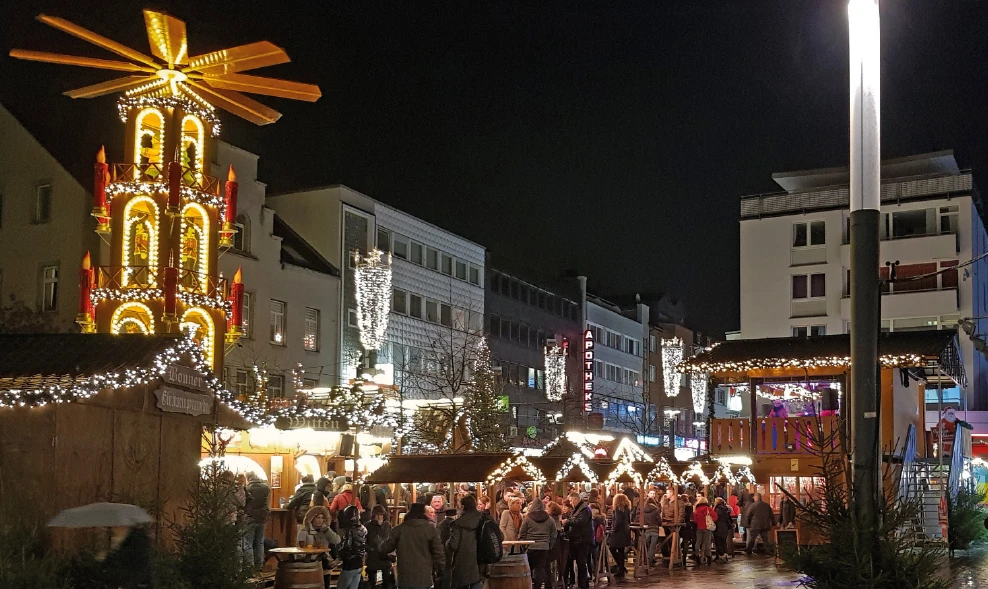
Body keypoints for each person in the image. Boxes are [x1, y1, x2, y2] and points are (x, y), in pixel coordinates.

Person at [382, 503, 445, 589]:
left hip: (404, 577)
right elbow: (438, 553)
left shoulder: (399, 529)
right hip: (424, 577)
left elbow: (386, 548)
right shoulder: (431, 529)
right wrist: (442, 570)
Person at [447, 495, 486, 589]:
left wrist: (446, 543)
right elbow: (499, 535)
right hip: (484, 559)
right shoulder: (485, 519)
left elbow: (453, 544)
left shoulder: (457, 524)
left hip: (463, 562)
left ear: (463, 507)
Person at [297, 506, 340, 589]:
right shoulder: (305, 531)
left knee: (325, 584)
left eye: (322, 518)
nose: (320, 520)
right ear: (312, 518)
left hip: (324, 562)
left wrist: (327, 530)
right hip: (309, 562)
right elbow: (300, 547)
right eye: (318, 518)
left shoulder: (325, 531)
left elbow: (337, 540)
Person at [519, 498, 557, 589]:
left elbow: (522, 533)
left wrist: (524, 545)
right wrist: (549, 545)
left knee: (529, 569)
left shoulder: (528, 518)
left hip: (531, 546)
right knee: (540, 569)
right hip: (544, 547)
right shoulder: (550, 519)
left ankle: (529, 586)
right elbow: (553, 534)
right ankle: (537, 587)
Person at [564, 492, 594, 589]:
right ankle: (580, 583)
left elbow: (580, 522)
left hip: (583, 540)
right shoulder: (578, 509)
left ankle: (583, 584)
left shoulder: (585, 509)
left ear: (575, 499)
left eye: (571, 501)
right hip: (577, 539)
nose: (571, 503)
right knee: (578, 562)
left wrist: (567, 521)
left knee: (581, 562)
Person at [244, 472, 270, 569]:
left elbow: (244, 503)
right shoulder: (266, 487)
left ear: (248, 478)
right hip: (262, 516)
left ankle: (249, 566)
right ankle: (259, 565)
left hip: (250, 517)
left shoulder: (247, 489)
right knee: (260, 541)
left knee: (248, 542)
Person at [337, 505, 367, 589]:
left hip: (349, 565)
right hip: (359, 564)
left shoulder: (349, 530)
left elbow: (346, 547)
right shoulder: (363, 528)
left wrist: (338, 556)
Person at [366, 505, 395, 589]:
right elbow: (364, 541)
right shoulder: (368, 525)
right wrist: (370, 549)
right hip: (372, 556)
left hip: (384, 556)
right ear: (373, 515)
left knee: (387, 580)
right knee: (371, 582)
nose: (379, 517)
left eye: (381, 514)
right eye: (377, 515)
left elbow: (391, 539)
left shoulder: (387, 525)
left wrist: (390, 552)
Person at [608, 494, 632, 579]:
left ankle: (621, 567)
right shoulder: (627, 509)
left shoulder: (618, 510)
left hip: (618, 533)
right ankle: (621, 568)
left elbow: (618, 521)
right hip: (625, 532)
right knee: (621, 551)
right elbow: (629, 521)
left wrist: (613, 529)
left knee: (612, 548)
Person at [692, 496, 717, 565]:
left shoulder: (696, 510)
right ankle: (709, 558)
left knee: (698, 542)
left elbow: (695, 520)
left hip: (699, 528)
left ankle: (697, 556)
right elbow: (715, 517)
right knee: (707, 543)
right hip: (707, 527)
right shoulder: (708, 509)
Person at [642, 496, 661, 567]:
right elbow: (659, 521)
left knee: (646, 546)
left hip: (647, 530)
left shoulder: (643, 510)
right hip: (655, 529)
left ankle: (645, 561)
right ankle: (649, 562)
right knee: (652, 547)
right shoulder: (656, 510)